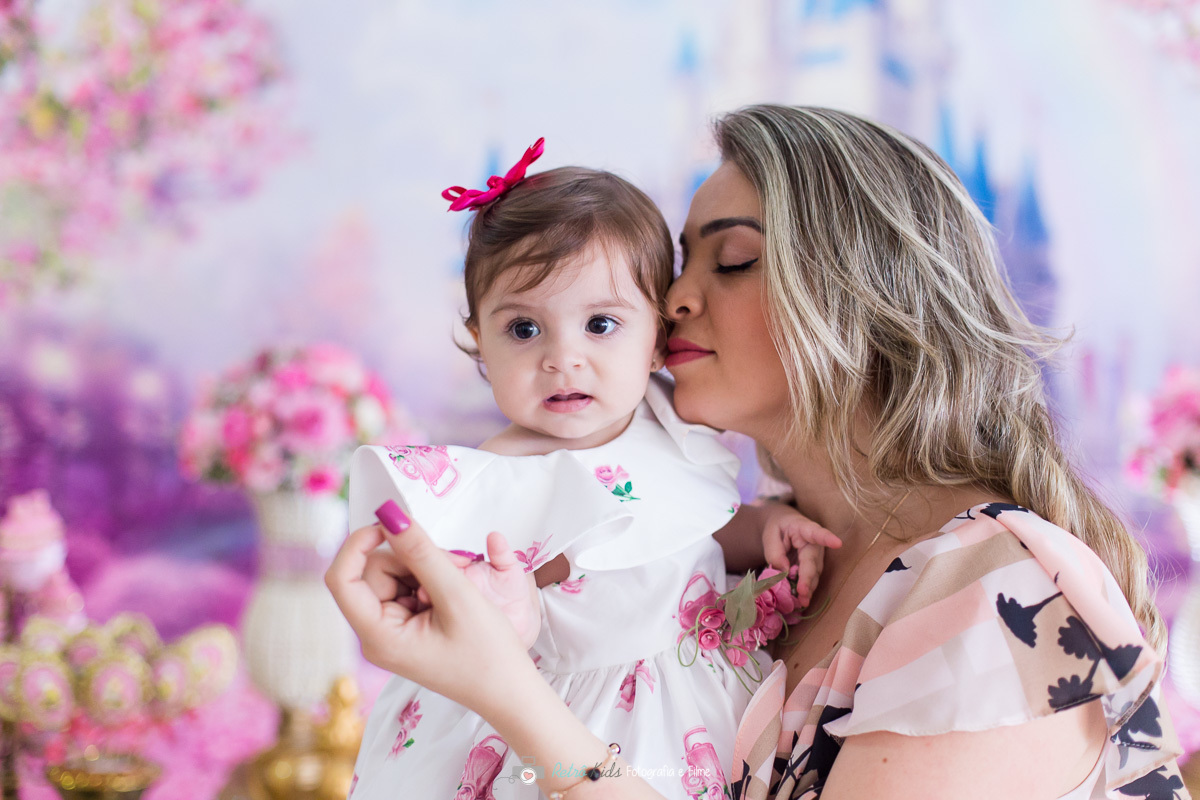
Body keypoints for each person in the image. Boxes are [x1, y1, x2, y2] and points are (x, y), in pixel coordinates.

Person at [327, 106, 1187, 800]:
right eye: (678, 263)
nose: (672, 301)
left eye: (731, 260)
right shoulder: (744, 571)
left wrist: (504, 692)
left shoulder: (998, 592)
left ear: (858, 298)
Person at [340, 138, 840, 800]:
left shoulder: (669, 423)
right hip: (579, 711)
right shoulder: (505, 475)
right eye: (524, 330)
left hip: (693, 686)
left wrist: (767, 525)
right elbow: (480, 606)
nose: (562, 357)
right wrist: (505, 600)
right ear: (480, 346)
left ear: (658, 338)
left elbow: (687, 526)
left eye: (600, 324)